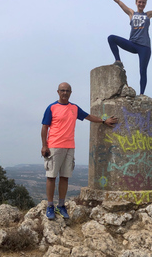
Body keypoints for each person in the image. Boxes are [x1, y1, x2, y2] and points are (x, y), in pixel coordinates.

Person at [41, 82, 117, 220]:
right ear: (58, 92)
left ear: (71, 92)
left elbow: (89, 116)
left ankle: (61, 206)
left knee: (65, 177)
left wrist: (103, 120)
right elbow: (44, 127)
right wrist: (44, 146)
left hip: (69, 146)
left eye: (67, 91)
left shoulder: (74, 108)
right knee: (51, 176)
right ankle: (50, 206)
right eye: (62, 90)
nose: (65, 93)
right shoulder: (51, 108)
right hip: (54, 146)